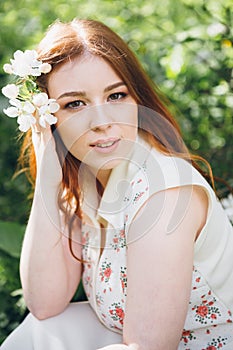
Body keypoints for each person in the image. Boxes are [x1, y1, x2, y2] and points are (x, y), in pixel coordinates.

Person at [1, 18, 233, 350]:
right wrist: (50, 175)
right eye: (74, 104)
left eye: (116, 95)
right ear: (48, 117)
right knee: (45, 331)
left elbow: (148, 347)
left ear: (137, 98)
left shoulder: (162, 194)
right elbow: (44, 303)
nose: (102, 122)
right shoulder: (88, 177)